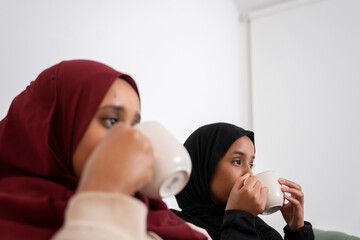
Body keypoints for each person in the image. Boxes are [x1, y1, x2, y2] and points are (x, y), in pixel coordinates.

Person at [0, 60, 210, 240]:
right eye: (111, 120)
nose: (130, 138)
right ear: (54, 129)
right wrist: (104, 195)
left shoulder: (160, 218)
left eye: (135, 125)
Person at [172, 122, 314, 240]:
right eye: (237, 161)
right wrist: (240, 218)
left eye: (251, 164)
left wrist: (297, 230)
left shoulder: (257, 226)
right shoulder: (175, 227)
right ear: (204, 167)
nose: (250, 173)